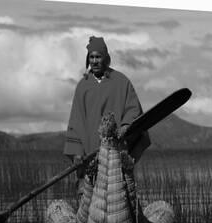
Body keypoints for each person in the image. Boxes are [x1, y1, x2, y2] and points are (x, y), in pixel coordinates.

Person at [64, 36, 150, 195]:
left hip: (115, 152)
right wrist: (77, 152)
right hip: (91, 153)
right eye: (91, 57)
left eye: (98, 56)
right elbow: (76, 120)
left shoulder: (121, 81)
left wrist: (125, 125)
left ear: (106, 58)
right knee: (91, 203)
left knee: (118, 199)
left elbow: (133, 108)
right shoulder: (83, 86)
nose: (95, 61)